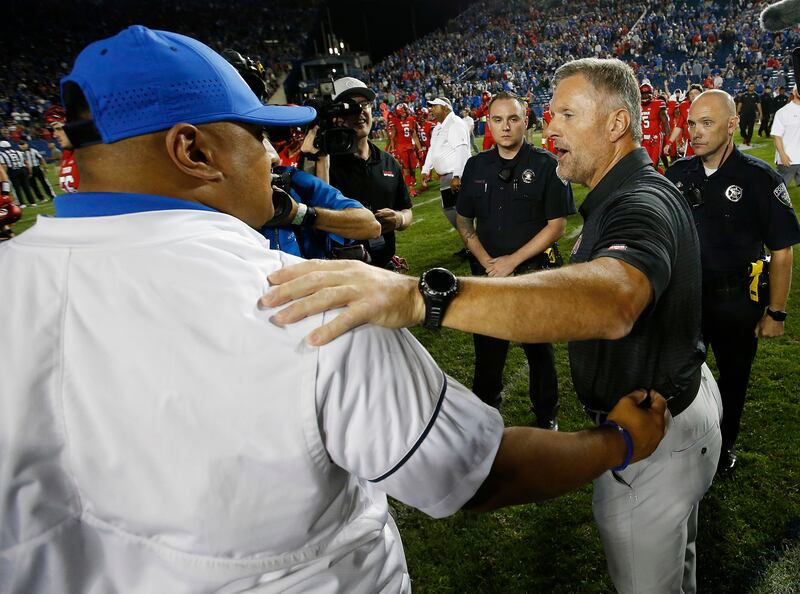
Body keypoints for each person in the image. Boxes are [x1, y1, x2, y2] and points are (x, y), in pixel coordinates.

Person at [0, 27, 669, 593]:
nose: (271, 155)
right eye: (255, 135)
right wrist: (617, 441)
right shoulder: (306, 297)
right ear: (193, 150)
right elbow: (477, 474)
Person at [263, 58, 724, 594]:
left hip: (654, 436)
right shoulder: (625, 191)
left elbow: (615, 299)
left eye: (567, 115)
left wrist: (423, 298)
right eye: (549, 114)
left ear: (616, 124)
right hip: (678, 404)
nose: (548, 128)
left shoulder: (638, 200)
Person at [668, 90, 800, 473]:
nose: (695, 132)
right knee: (679, 377)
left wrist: (776, 312)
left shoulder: (759, 178)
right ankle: (680, 445)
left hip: (735, 301)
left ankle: (722, 447)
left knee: (733, 379)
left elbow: (783, 250)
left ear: (730, 125)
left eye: (706, 123)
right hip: (685, 298)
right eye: (692, 123)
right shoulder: (678, 174)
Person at [456, 91, 574, 428]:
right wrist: (487, 261)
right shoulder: (475, 166)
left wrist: (511, 261)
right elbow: (464, 220)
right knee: (488, 355)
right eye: (497, 120)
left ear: (526, 121)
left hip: (532, 275)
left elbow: (557, 226)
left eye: (513, 119)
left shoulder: (546, 165)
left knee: (539, 352)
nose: (505, 127)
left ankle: (546, 417)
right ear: (487, 125)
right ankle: (484, 420)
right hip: (486, 277)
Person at [328, 77, 413, 270]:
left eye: (364, 104)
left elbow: (407, 210)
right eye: (350, 106)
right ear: (337, 115)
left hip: (386, 266)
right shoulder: (326, 163)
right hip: (345, 271)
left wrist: (399, 219)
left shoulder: (388, 161)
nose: (359, 112)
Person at [421, 97, 471, 229]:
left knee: (456, 210)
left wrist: (457, 176)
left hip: (453, 175)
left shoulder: (454, 123)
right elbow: (433, 149)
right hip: (447, 176)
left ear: (445, 108)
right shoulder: (439, 127)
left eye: (435, 106)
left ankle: (472, 243)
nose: (431, 110)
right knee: (453, 209)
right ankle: (470, 244)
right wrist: (426, 169)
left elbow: (462, 150)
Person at [387, 102, 422, 197]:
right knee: (406, 168)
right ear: (399, 112)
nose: (406, 112)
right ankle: (411, 189)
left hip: (410, 146)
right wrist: (393, 149)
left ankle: (410, 184)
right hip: (401, 147)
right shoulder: (394, 121)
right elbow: (393, 137)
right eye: (404, 110)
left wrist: (419, 149)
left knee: (413, 167)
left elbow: (414, 136)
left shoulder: (411, 120)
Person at [772, 85, 800, 187]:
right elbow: (777, 136)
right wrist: (782, 155)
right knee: (780, 190)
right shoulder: (783, 112)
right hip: (789, 159)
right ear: (794, 92)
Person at [664, 84, 703, 159]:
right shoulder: (684, 106)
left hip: (705, 143)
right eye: (691, 93)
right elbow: (678, 126)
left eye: (696, 93)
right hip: (690, 143)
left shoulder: (708, 105)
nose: (693, 95)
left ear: (701, 94)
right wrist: (669, 143)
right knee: (689, 167)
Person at [639, 82, 670, 169]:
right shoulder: (637, 106)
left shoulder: (658, 104)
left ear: (652, 94)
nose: (645, 96)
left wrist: (668, 143)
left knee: (653, 164)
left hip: (655, 138)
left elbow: (666, 124)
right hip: (642, 139)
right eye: (643, 94)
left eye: (647, 94)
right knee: (643, 164)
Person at [0, 140, 37, 207]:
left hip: (13, 171)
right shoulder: (18, 152)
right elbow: (26, 162)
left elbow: (4, 165)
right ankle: (32, 202)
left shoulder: (1, 154)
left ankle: (22, 204)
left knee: (16, 189)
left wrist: (4, 175)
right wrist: (30, 171)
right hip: (22, 170)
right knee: (26, 187)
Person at [736, 81, 762, 148]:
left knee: (750, 129)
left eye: (753, 86)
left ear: (754, 87)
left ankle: (748, 141)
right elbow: (740, 104)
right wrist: (737, 112)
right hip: (743, 114)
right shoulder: (743, 95)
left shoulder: (756, 95)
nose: (752, 87)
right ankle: (745, 137)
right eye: (750, 86)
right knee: (742, 129)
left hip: (752, 114)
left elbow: (759, 104)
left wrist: (761, 113)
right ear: (748, 87)